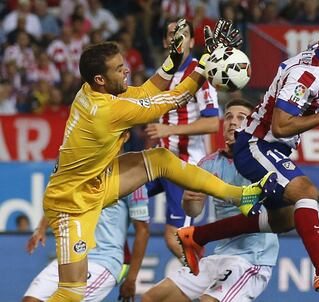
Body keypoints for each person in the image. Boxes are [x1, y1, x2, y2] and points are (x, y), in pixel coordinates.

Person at [41, 19, 273, 301]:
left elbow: (145, 91)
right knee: (72, 291)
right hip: (71, 203)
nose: (126, 69)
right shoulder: (108, 111)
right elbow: (174, 98)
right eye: (118, 69)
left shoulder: (91, 90)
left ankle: (240, 196)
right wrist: (204, 64)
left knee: (161, 158)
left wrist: (174, 58)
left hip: (95, 181)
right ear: (100, 79)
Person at [177, 14, 319, 294]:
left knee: (283, 220)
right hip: (257, 145)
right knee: (307, 192)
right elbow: (281, 126)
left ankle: (196, 236)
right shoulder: (307, 77)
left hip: (269, 146)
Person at [142, 99, 285, 302]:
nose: (233, 122)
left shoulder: (262, 159)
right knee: (152, 298)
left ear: (251, 125)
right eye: (228, 117)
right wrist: (189, 200)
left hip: (252, 259)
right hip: (219, 255)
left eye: (241, 118)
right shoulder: (208, 164)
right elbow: (193, 211)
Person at [145, 19, 219, 259]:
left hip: (184, 165)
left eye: (183, 34)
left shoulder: (199, 74)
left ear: (192, 41)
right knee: (121, 195)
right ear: (166, 41)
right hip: (161, 160)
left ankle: (204, 286)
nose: (176, 38)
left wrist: (168, 131)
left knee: (175, 237)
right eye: (171, 34)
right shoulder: (164, 73)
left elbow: (212, 122)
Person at [22, 185, 150, 302]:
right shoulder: (84, 169)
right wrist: (41, 228)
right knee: (30, 300)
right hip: (70, 256)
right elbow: (60, 201)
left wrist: (131, 279)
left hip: (103, 260)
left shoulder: (133, 182)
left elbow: (142, 230)